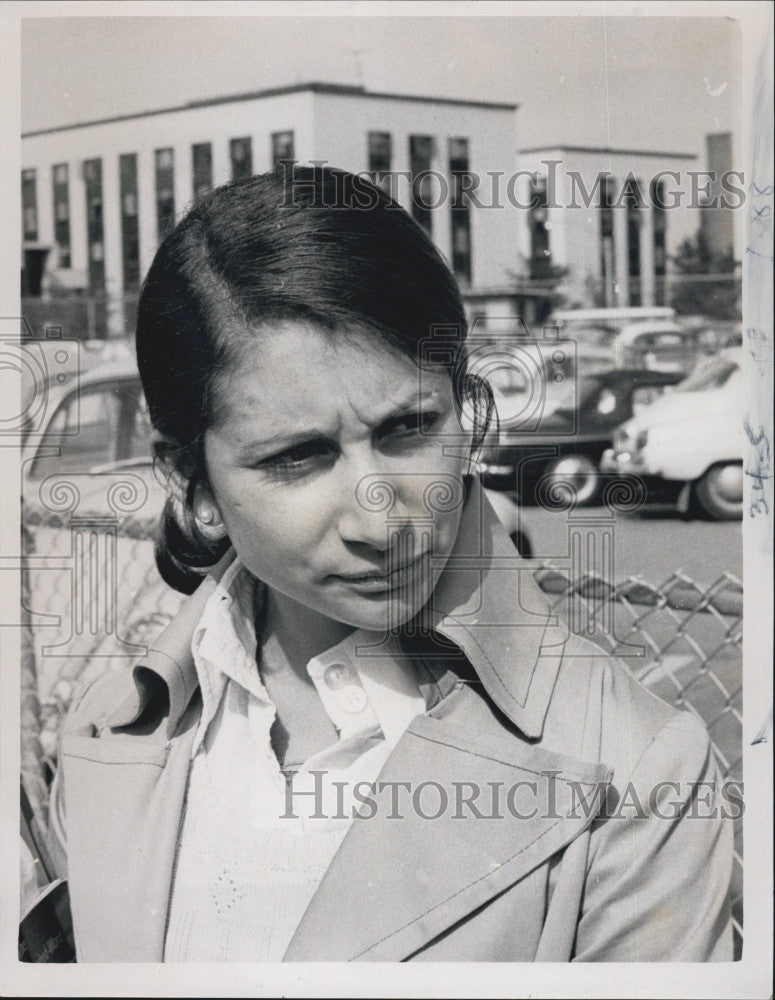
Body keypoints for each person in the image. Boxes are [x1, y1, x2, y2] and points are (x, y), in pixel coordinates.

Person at [48, 166, 733, 963]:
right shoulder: (113, 730)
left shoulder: (640, 770)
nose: (380, 518)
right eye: (297, 458)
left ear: (464, 407)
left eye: (409, 428)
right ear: (191, 483)